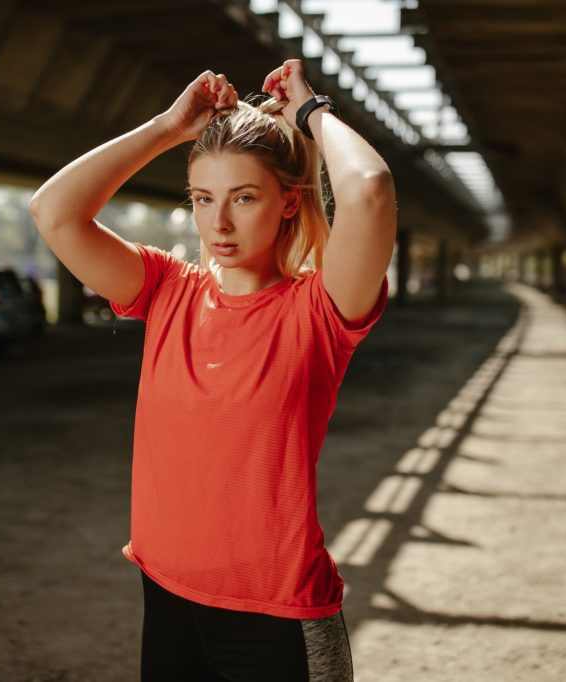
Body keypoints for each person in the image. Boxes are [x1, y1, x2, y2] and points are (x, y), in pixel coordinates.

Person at [30, 59, 396, 681]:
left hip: (277, 622)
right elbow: (54, 212)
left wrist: (310, 114)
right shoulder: (166, 289)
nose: (218, 223)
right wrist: (169, 128)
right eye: (203, 199)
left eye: (244, 198)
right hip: (168, 599)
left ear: (287, 202)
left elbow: (368, 191)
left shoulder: (319, 310)